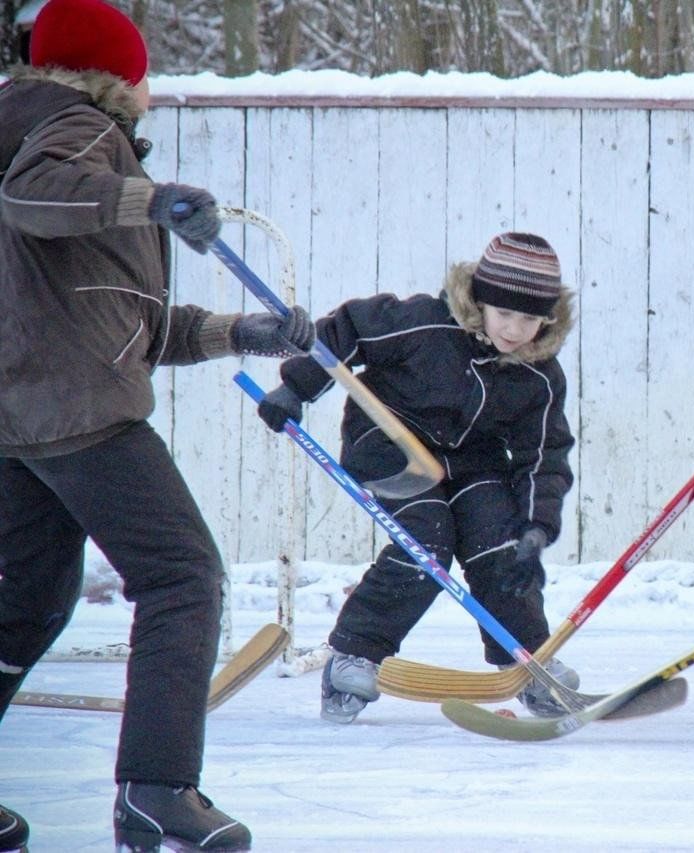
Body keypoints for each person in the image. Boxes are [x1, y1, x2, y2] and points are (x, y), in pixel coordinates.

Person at [0, 1, 315, 849]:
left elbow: (121, 320)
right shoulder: (70, 129)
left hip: (25, 415)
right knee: (182, 576)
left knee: (26, 604)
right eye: (142, 72)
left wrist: (236, 334)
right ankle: (157, 788)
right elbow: (35, 199)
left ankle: (153, 788)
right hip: (78, 414)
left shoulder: (35, 130)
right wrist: (154, 199)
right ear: (113, 74)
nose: (151, 89)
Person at [256, 232, 578, 723]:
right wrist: (296, 389)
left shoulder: (539, 375)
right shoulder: (423, 324)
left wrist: (535, 527)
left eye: (530, 318)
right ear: (481, 300)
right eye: (505, 314)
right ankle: (353, 656)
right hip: (391, 450)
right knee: (425, 540)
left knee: (499, 545)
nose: (515, 329)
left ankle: (529, 661)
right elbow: (347, 329)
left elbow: (544, 455)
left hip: (472, 464)